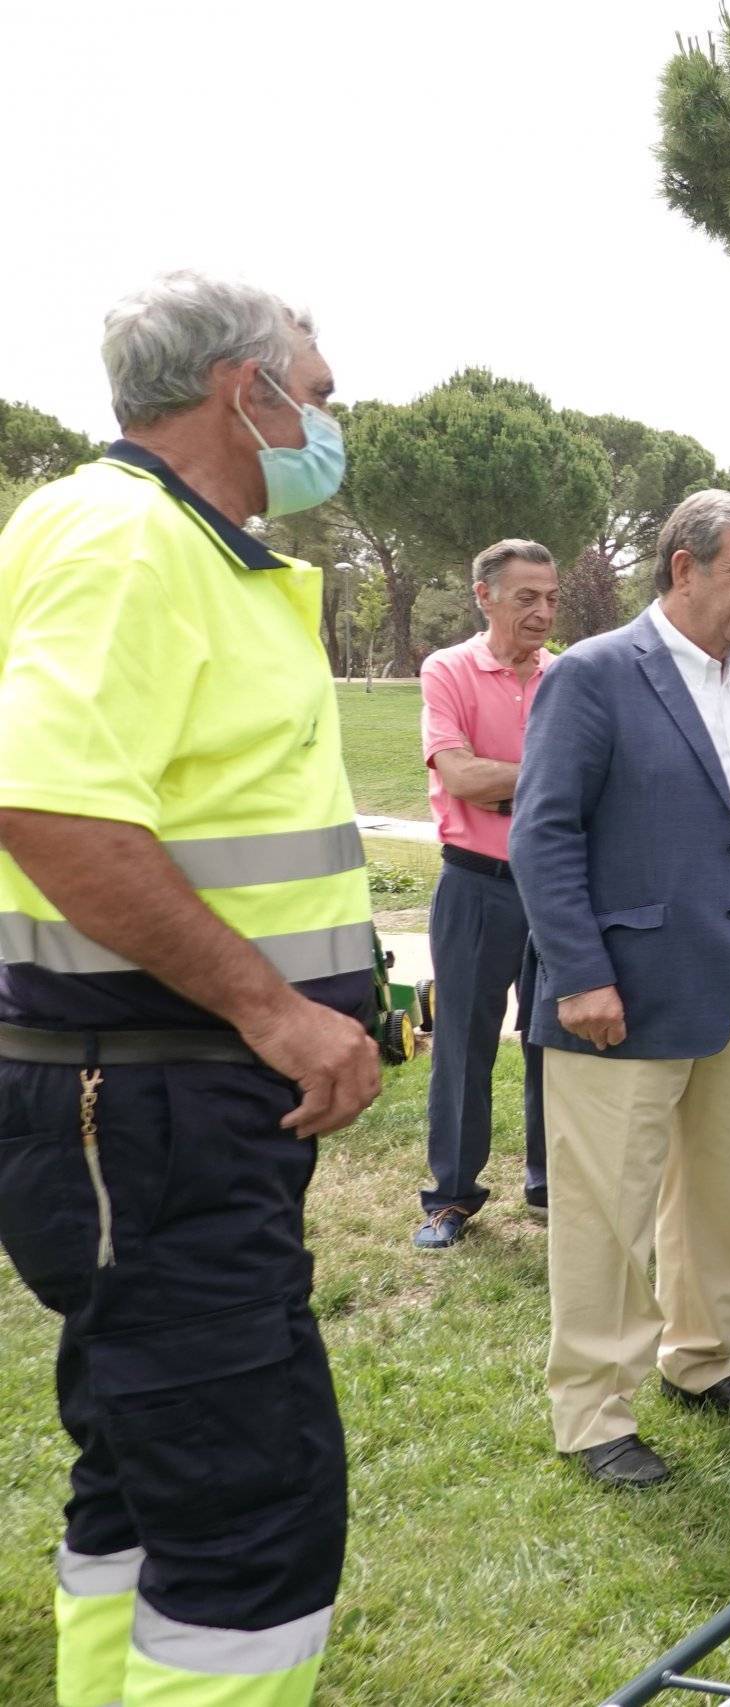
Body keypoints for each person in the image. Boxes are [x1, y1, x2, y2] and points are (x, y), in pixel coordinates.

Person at [0, 272, 379, 1707]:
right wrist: (275, 1008)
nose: (329, 419)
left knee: (141, 1473)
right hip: (151, 1102)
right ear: (248, 390)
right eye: (321, 391)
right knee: (247, 1514)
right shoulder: (124, 534)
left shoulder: (171, 542)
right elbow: (47, 805)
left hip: (151, 1106)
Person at [511, 489, 730, 1490]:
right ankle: (594, 1414)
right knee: (606, 1206)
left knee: (720, 1189)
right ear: (682, 567)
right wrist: (581, 974)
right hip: (622, 989)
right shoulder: (596, 674)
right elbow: (542, 833)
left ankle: (700, 1359)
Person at [412, 538, 556, 1250]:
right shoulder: (448, 669)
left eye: (551, 597)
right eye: (526, 596)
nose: (542, 611)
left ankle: (550, 1181)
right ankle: (450, 1196)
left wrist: (506, 778)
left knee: (552, 1040)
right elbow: (462, 778)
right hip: (474, 881)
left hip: (554, 884)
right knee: (464, 1041)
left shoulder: (567, 675)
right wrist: (546, 775)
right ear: (485, 595)